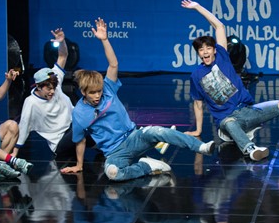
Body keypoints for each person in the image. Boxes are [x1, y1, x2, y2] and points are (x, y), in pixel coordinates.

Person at [181, 0, 279, 162]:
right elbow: (198, 105)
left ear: (215, 50)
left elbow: (219, 26)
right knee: (229, 122)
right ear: (198, 53)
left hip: (247, 111)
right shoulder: (196, 75)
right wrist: (198, 130)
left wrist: (198, 7)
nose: (205, 52)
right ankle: (250, 149)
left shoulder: (222, 56)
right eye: (201, 50)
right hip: (227, 121)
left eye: (208, 48)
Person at [60, 18, 215, 181]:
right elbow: (80, 140)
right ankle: (148, 166)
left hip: (134, 137)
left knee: (157, 131)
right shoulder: (79, 113)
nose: (98, 95)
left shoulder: (108, 88)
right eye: (93, 93)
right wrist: (79, 165)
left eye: (99, 91)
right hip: (114, 153)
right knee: (113, 174)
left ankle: (201, 147)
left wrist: (104, 40)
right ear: (83, 92)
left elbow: (113, 65)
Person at [15, 28, 76, 159]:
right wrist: (14, 152)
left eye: (54, 87)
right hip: (60, 142)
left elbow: (63, 56)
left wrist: (62, 42)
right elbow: (24, 126)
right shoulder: (31, 102)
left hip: (73, 127)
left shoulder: (55, 82)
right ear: (38, 86)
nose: (52, 91)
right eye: (48, 88)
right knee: (85, 124)